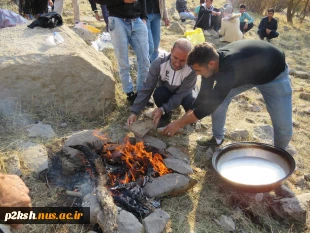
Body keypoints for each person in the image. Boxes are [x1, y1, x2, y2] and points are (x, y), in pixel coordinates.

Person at [163, 40, 292, 150]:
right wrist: (186, 117)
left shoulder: (229, 70)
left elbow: (208, 107)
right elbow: (204, 95)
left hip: (274, 75)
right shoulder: (211, 61)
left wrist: (179, 123)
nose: (196, 74)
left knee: (283, 126)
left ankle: (279, 156)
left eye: (198, 71)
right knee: (219, 100)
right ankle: (217, 139)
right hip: (247, 73)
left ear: (211, 64)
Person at [127, 38, 197, 128]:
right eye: (175, 58)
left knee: (193, 99)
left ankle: (190, 119)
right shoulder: (159, 62)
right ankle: (166, 115)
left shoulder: (192, 69)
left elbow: (181, 94)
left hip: (184, 94)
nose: (177, 63)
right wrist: (135, 111)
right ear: (171, 50)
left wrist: (163, 108)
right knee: (159, 93)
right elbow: (148, 87)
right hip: (166, 92)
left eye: (183, 60)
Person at [99, 0, 150, 105]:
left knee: (145, 60)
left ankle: (141, 94)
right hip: (117, 20)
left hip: (137, 20)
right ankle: (129, 94)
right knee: (123, 62)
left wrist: (144, 17)